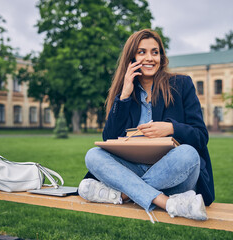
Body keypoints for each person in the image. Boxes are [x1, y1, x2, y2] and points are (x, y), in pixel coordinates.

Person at [78, 29, 214, 222]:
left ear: (161, 56)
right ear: (131, 57)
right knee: (93, 155)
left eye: (155, 52)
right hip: (136, 168)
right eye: (142, 52)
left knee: (189, 154)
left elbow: (201, 136)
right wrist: (124, 95)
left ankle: (122, 195)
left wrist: (171, 129)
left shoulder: (181, 84)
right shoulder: (127, 93)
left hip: (176, 175)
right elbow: (108, 138)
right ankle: (168, 203)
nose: (150, 58)